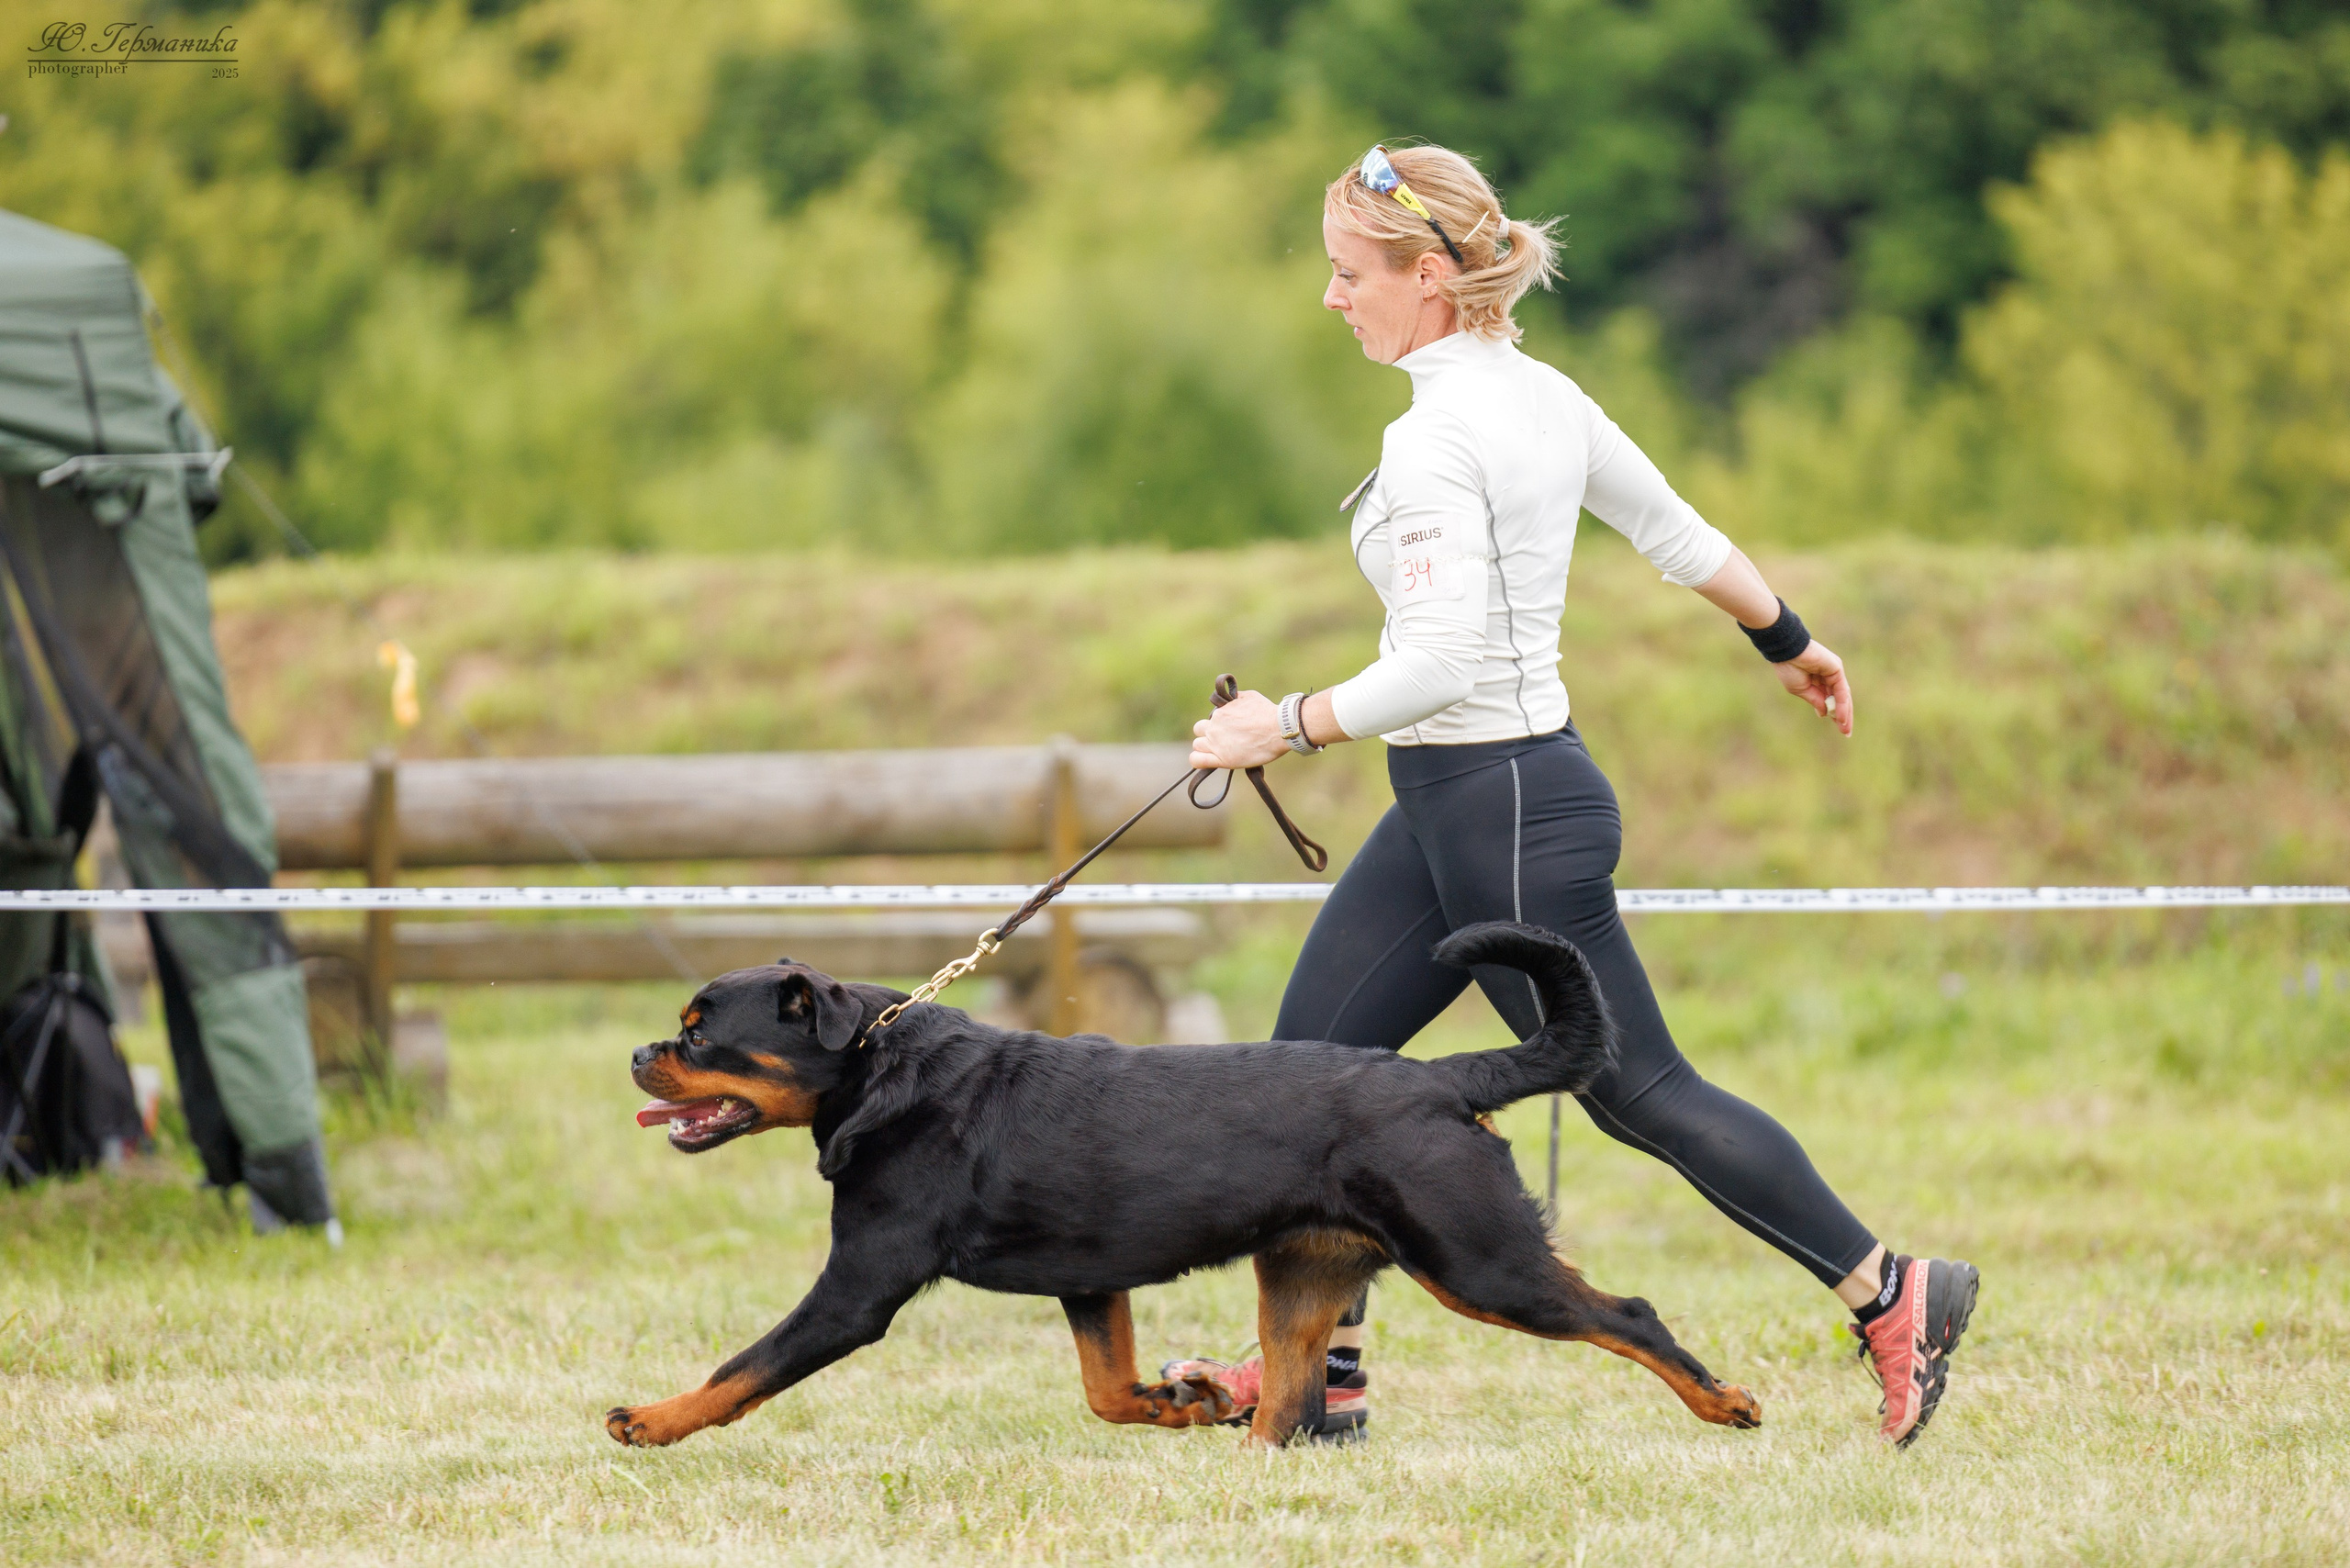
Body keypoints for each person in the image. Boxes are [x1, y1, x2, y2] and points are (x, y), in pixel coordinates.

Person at [1169, 143, 1977, 1449]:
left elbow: (1441, 661)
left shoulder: (1435, 438)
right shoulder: (1541, 395)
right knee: (1308, 1074)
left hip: (1502, 813)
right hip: (1464, 804)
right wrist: (1790, 638)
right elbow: (1679, 534)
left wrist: (1285, 726)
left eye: (1348, 274)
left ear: (1428, 277)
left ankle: (1893, 1292)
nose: (1331, 300)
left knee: (1638, 1089)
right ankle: (1320, 1378)